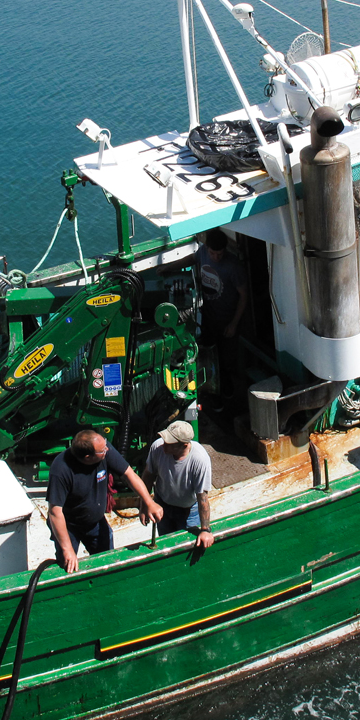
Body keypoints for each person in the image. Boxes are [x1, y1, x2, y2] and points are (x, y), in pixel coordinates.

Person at [47, 429, 162, 574]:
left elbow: (129, 474)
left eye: (105, 445)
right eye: (102, 451)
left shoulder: (104, 449)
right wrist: (67, 549)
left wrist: (149, 503)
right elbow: (55, 512)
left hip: (95, 523)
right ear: (88, 457)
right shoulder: (61, 470)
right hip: (69, 527)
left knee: (107, 563)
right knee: (67, 565)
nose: (107, 450)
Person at [197, 229, 249, 421]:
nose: (215, 257)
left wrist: (234, 324)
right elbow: (192, 260)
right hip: (209, 319)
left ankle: (225, 394)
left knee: (225, 361)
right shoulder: (202, 253)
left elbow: (244, 295)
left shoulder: (234, 267)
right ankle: (220, 394)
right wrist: (168, 267)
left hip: (227, 322)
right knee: (212, 359)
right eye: (212, 253)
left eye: (219, 254)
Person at [142, 420, 215, 549]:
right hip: (162, 507)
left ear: (184, 445)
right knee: (166, 545)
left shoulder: (199, 459)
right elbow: (148, 475)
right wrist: (144, 505)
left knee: (186, 547)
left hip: (188, 511)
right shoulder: (157, 448)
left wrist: (205, 530)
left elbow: (202, 497)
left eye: (169, 443)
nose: (164, 445)